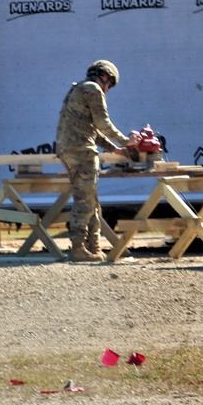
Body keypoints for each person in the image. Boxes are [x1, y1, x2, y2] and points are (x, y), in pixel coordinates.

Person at [56, 60, 140, 262]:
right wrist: (126, 141)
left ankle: (93, 248)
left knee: (91, 200)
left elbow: (91, 129)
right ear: (104, 77)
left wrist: (116, 149)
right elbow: (103, 123)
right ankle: (77, 248)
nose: (108, 90)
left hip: (72, 149)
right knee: (84, 201)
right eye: (109, 85)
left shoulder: (79, 89)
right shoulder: (93, 89)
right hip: (81, 151)